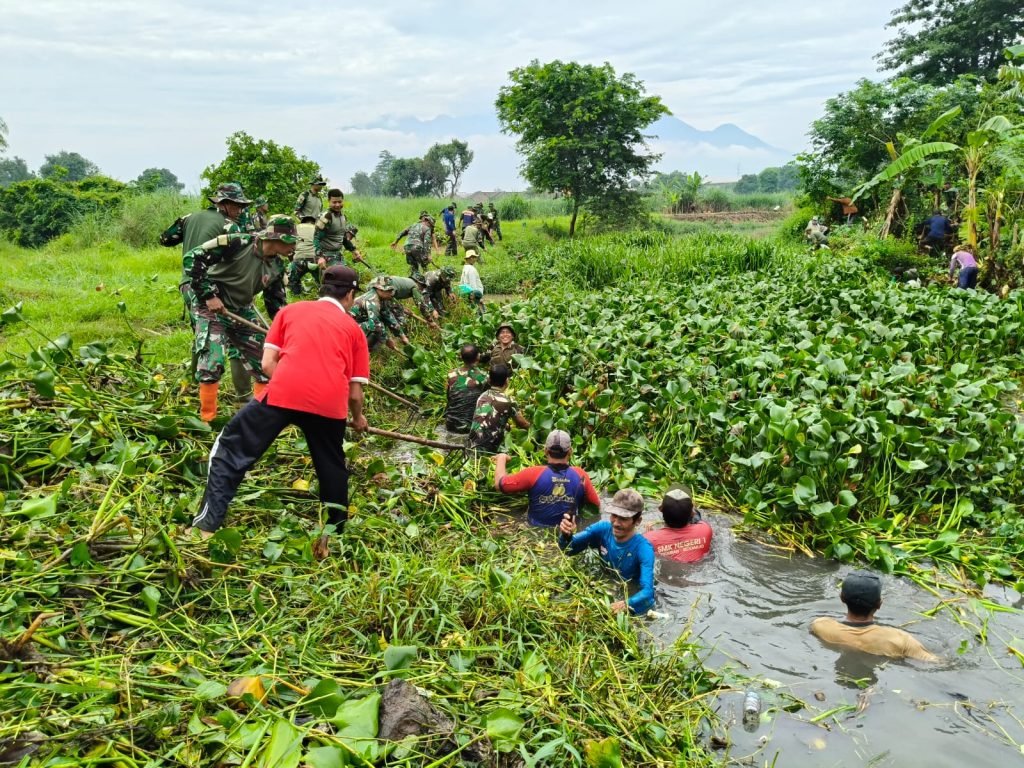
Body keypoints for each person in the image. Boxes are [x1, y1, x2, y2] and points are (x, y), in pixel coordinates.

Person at [190, 265, 370, 559]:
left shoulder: (289, 311)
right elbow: (354, 393)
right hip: (330, 405)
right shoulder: (354, 330)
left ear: (322, 289)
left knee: (231, 449)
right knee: (332, 468)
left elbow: (267, 364)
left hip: (284, 393)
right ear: (350, 295)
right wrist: (359, 419)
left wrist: (293, 383)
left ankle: (206, 526)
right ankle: (333, 537)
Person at [185, 215, 293, 422]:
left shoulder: (277, 266)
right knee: (212, 360)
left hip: (240, 310)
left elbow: (276, 304)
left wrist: (286, 332)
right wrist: (209, 295)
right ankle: (207, 419)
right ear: (276, 239)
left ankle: (261, 417)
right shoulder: (237, 243)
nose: (293, 247)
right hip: (212, 307)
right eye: (291, 242)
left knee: (266, 360)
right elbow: (192, 258)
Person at [557, 489, 656, 615]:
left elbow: (648, 593)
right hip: (604, 582)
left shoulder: (644, 549)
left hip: (628, 589)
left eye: (623, 518)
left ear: (638, 521)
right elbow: (569, 550)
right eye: (614, 515)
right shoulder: (602, 530)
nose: (616, 523)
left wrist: (626, 604)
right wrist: (566, 535)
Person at [810, 571, 938, 662]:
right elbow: (934, 662)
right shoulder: (901, 640)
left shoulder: (820, 625)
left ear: (842, 598)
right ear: (879, 604)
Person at [493, 430, 600, 527]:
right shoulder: (581, 475)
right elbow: (595, 506)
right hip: (568, 530)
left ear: (545, 451)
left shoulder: (532, 474)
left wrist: (501, 458)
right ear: (570, 452)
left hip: (535, 530)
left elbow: (500, 484)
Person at [468, 363, 529, 453]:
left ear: (489, 380)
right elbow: (523, 424)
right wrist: (533, 429)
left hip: (471, 445)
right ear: (506, 381)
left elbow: (488, 418)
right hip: (489, 450)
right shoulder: (509, 401)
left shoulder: (482, 396)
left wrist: (507, 426)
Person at [643, 487, 712, 563]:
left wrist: (648, 535)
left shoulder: (648, 539)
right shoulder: (705, 530)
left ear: (660, 509)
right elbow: (697, 518)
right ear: (692, 513)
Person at [350, 275, 408, 351]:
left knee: (380, 325)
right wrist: (388, 340)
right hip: (349, 326)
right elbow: (375, 324)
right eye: (389, 291)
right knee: (376, 327)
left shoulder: (381, 299)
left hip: (359, 321)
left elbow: (388, 316)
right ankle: (362, 349)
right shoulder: (372, 300)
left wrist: (402, 335)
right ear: (380, 290)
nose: (391, 294)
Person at [314, 189, 364, 269]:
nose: (337, 205)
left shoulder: (343, 217)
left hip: (338, 254)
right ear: (329, 201)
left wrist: (354, 251)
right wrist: (319, 257)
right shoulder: (326, 217)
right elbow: (316, 237)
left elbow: (343, 238)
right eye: (334, 202)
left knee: (345, 277)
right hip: (325, 256)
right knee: (335, 278)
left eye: (340, 202)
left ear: (343, 201)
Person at [444, 344, 489, 433]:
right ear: (478, 357)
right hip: (470, 427)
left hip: (450, 424)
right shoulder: (484, 377)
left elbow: (449, 397)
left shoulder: (451, 374)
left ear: (461, 357)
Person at [289, 216, 319, 296]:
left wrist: (292, 261)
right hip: (314, 259)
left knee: (293, 281)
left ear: (302, 222)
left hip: (299, 258)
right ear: (313, 222)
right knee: (321, 281)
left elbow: (290, 245)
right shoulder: (317, 228)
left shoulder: (296, 228)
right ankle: (322, 295)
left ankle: (296, 296)